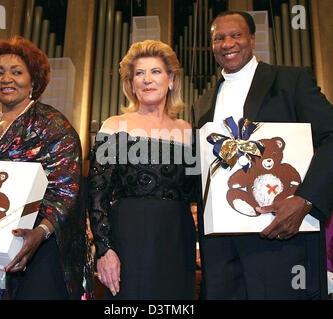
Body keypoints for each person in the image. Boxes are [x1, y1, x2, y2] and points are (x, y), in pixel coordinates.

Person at [192, 11, 333, 299]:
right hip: (221, 249)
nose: (228, 43)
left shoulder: (290, 80)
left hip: (281, 235)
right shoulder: (202, 103)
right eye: (219, 38)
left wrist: (305, 201)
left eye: (236, 35)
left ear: (252, 39)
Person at [0, 36, 88, 299]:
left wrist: (40, 232)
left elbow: (67, 190)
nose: (7, 79)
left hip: (39, 244)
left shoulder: (53, 124)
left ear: (33, 80)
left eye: (17, 72)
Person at [88, 39, 196, 299]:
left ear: (171, 80)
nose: (147, 79)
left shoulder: (188, 131)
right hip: (129, 237)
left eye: (155, 71)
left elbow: (195, 194)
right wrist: (104, 250)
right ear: (131, 84)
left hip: (177, 238)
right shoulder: (114, 125)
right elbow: (97, 195)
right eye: (139, 73)